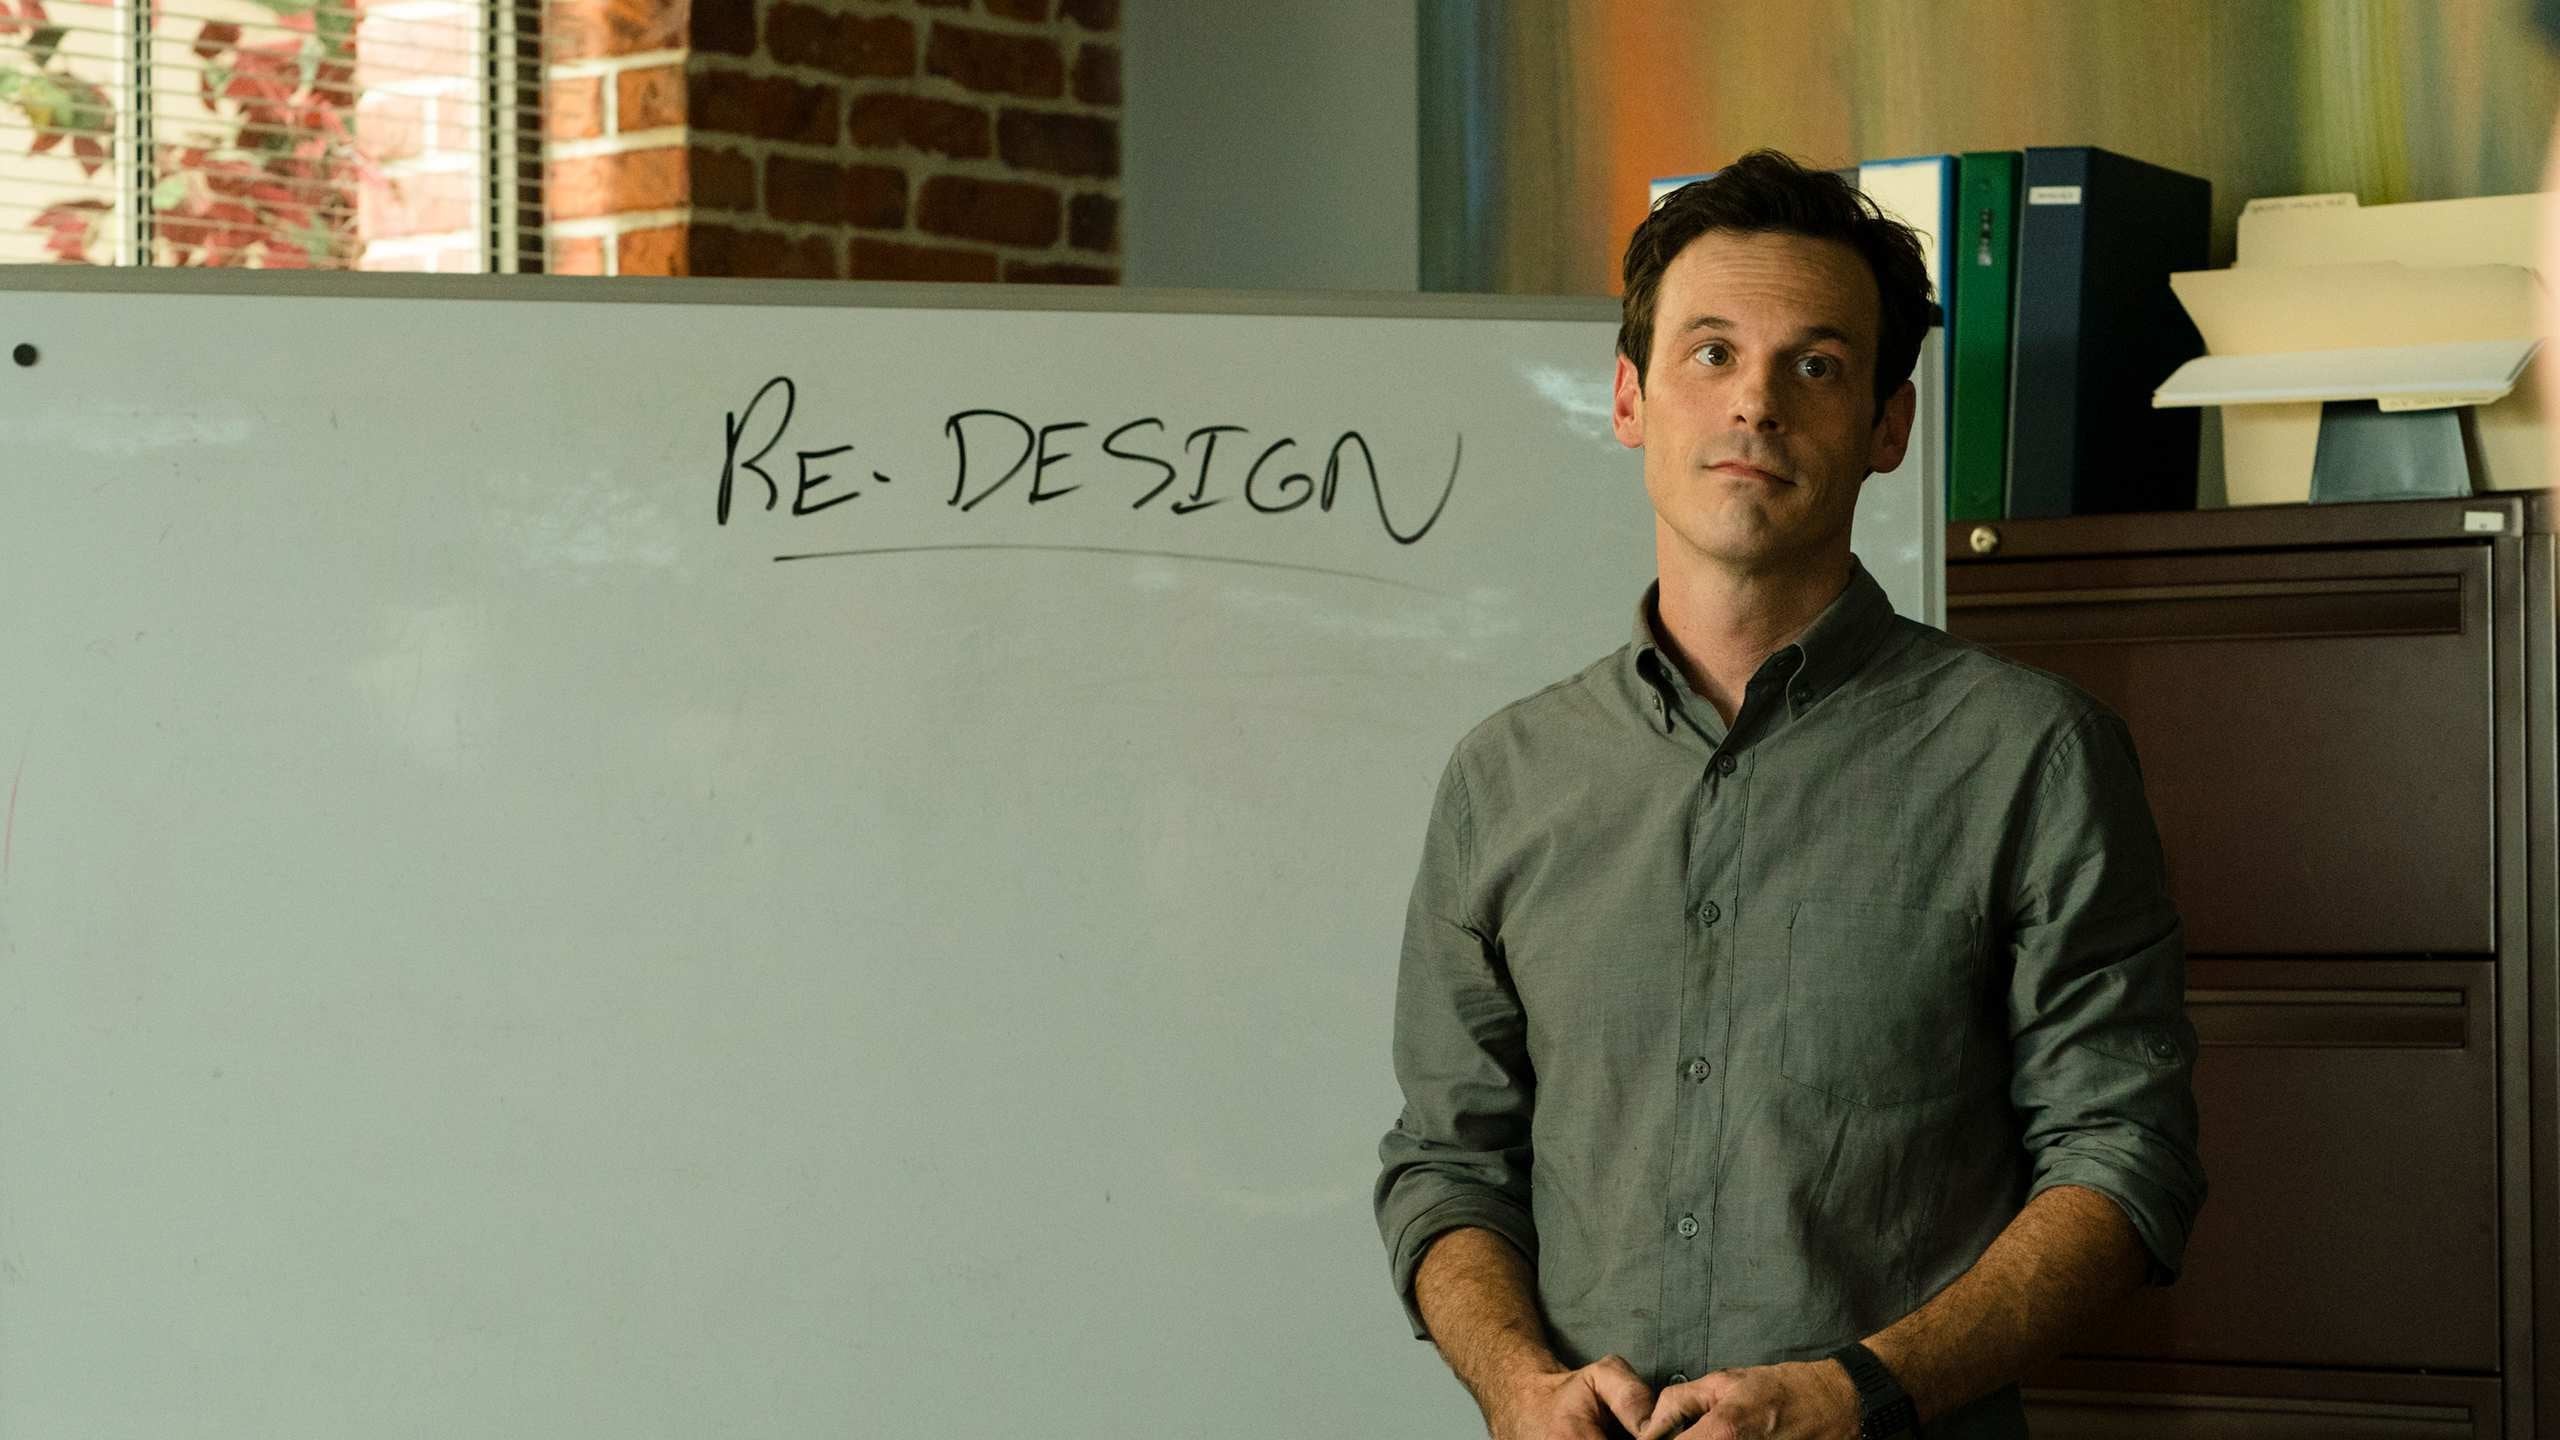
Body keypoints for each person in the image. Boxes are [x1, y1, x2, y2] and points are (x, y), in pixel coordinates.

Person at [1371, 150, 2205, 1440]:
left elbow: (2123, 1156)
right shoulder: (1505, 777)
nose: (1754, 402)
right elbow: (1448, 1162)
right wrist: (1518, 1387)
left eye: (1815, 365)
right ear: (1630, 398)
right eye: (1711, 353)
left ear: (1888, 427)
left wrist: (1860, 1392)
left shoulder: (2035, 757)